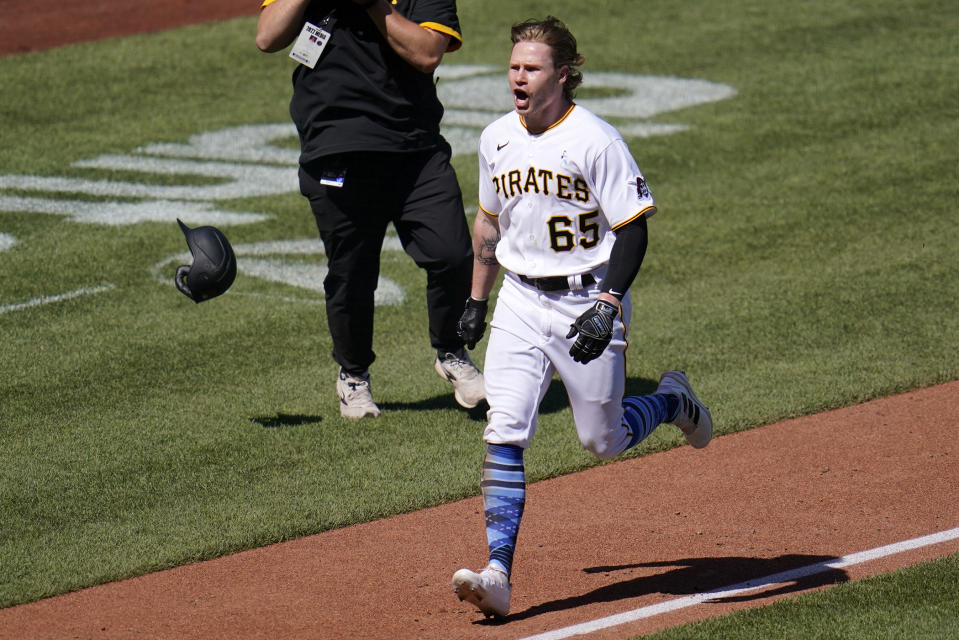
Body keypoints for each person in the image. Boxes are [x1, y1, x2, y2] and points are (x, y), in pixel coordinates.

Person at [450, 16, 714, 618]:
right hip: (519, 299)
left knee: (603, 440)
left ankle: (673, 401)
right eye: (514, 66)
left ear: (563, 75)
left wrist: (607, 304)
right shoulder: (495, 137)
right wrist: (475, 300)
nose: (518, 77)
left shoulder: (595, 140)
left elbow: (633, 230)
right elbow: (491, 224)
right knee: (504, 427)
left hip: (584, 299)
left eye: (532, 68)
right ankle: (497, 572)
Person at [255, 0, 484, 418]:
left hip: (415, 149)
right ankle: (353, 376)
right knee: (352, 273)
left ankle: (450, 353)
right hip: (336, 148)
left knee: (452, 252)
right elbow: (268, 36)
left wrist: (373, 5)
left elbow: (428, 52)